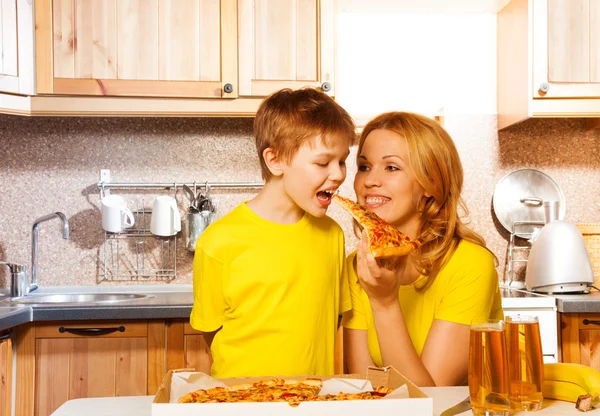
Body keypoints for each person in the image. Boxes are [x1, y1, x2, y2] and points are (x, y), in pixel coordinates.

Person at [190, 87, 356, 378]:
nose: (339, 174)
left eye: (342, 161)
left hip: (311, 400)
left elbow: (333, 318)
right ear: (275, 160)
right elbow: (210, 332)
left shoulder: (332, 234)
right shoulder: (218, 242)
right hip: (241, 401)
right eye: (322, 162)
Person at [342, 111, 503, 386]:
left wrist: (384, 303)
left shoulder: (471, 264)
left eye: (391, 167)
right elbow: (365, 389)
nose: (370, 181)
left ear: (431, 184)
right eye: (364, 166)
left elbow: (431, 402)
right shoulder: (358, 263)